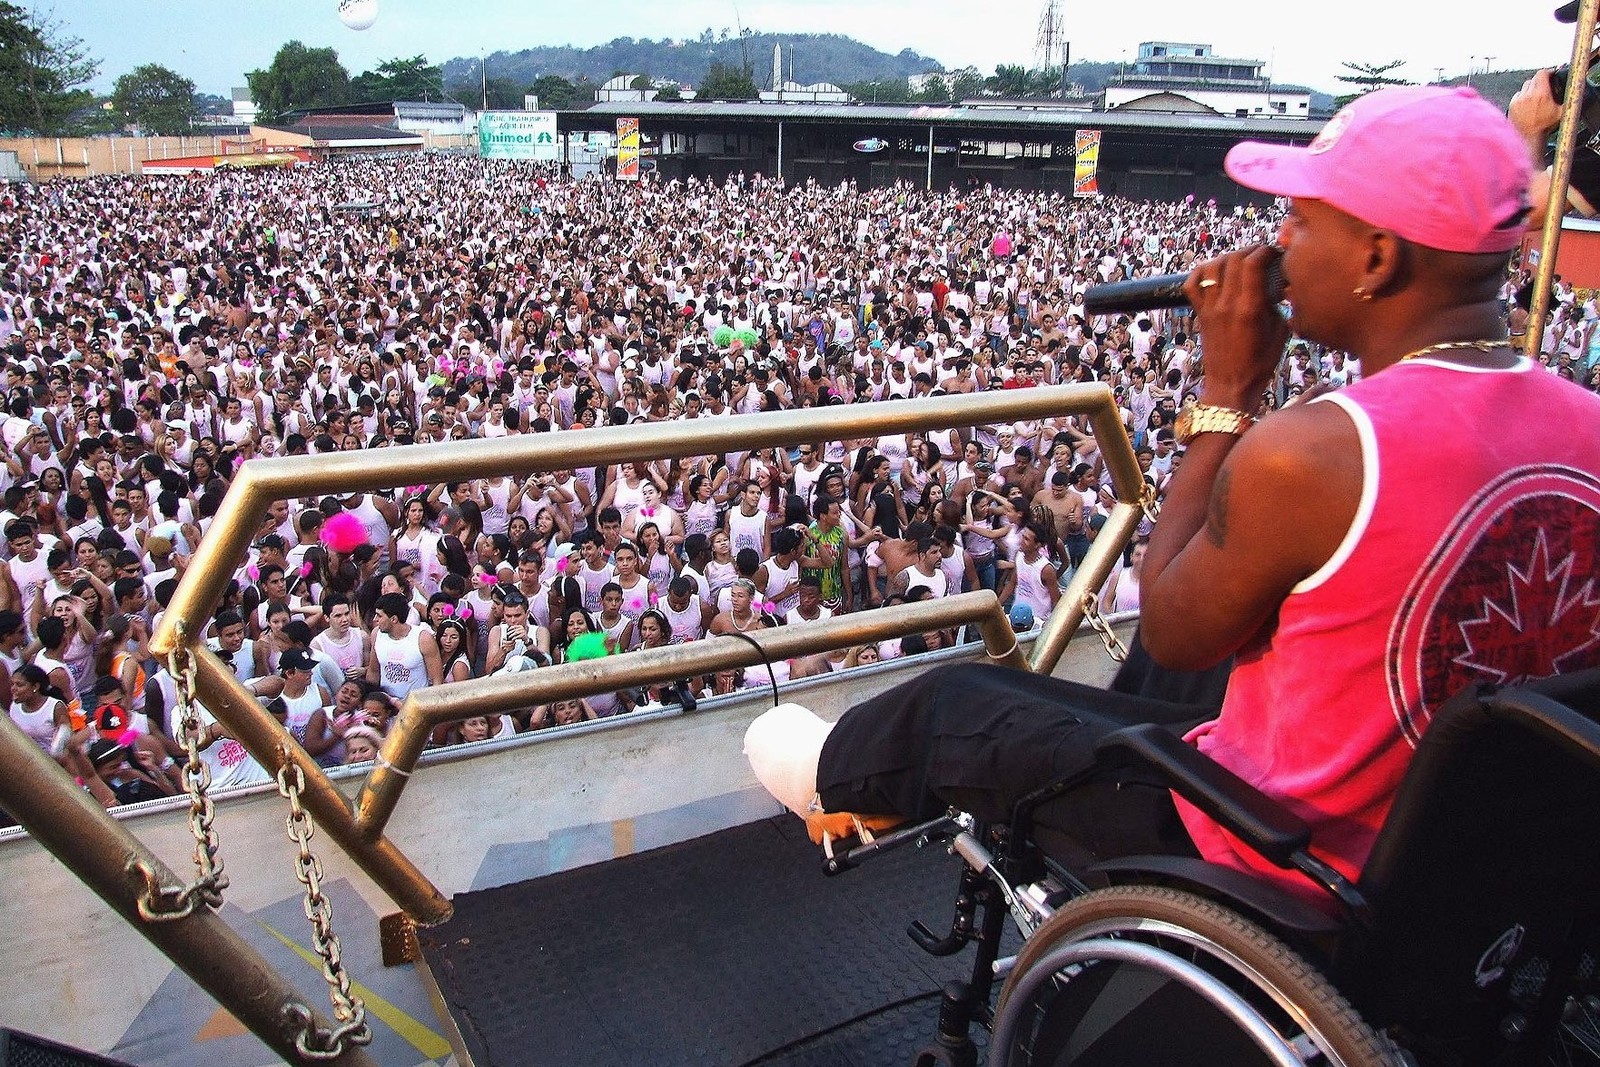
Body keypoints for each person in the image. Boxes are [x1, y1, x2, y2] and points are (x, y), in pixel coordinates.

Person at [747, 86, 1600, 911]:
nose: (1277, 243)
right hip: (1464, 863)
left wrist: (1229, 391)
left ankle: (841, 779)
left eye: (1302, 219)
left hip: (1289, 855)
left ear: (1377, 255)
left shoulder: (1321, 451)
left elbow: (1175, 628)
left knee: (961, 702)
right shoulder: (1587, 425)